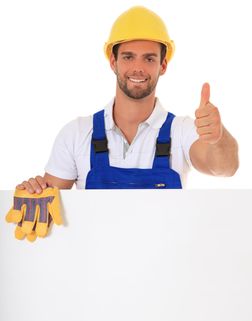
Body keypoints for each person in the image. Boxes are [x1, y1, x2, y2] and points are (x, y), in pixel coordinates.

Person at [17, 5, 238, 193]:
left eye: (149, 58)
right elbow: (49, 212)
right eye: (128, 57)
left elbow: (225, 167)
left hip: (165, 246)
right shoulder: (76, 134)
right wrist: (35, 193)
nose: (138, 68)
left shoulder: (181, 131)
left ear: (163, 65)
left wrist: (217, 138)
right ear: (113, 62)